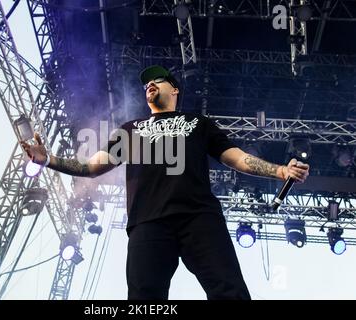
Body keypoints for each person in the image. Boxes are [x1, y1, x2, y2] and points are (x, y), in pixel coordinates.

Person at [21, 65, 310, 300]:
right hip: (148, 222)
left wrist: (280, 171)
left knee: (229, 291)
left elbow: (235, 158)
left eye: (158, 81)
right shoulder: (130, 129)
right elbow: (92, 166)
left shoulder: (198, 123)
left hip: (199, 216)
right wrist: (49, 160)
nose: (150, 85)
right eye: (147, 83)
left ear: (174, 90)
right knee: (144, 298)